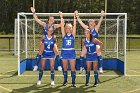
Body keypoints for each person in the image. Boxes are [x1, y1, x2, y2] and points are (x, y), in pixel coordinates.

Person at [30, 7, 62, 71]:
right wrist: (33, 12)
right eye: (50, 19)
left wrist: (61, 16)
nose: (52, 20)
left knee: (56, 51)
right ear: (48, 20)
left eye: (53, 19)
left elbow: (62, 24)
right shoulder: (44, 25)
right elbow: (36, 19)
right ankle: (36, 65)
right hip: (45, 41)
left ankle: (59, 66)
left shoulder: (54, 26)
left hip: (52, 41)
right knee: (40, 52)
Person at [59, 11, 77, 87]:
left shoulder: (73, 35)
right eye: (67, 28)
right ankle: (65, 80)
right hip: (64, 52)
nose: (68, 29)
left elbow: (75, 25)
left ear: (71, 28)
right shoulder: (64, 35)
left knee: (73, 68)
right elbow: (62, 26)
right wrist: (61, 17)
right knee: (65, 67)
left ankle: (73, 82)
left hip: (72, 53)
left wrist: (74, 17)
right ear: (65, 29)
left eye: (70, 28)